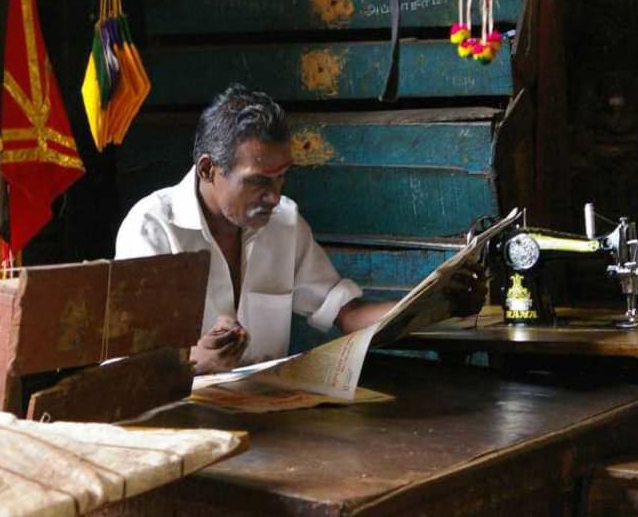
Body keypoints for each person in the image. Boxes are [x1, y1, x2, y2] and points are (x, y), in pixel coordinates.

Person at [116, 84, 483, 375]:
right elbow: (128, 367)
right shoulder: (151, 229)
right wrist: (197, 360)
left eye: (281, 179)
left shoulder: (284, 222)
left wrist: (438, 302)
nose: (274, 197)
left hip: (265, 424)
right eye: (258, 182)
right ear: (208, 169)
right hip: (178, 426)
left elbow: (348, 315)